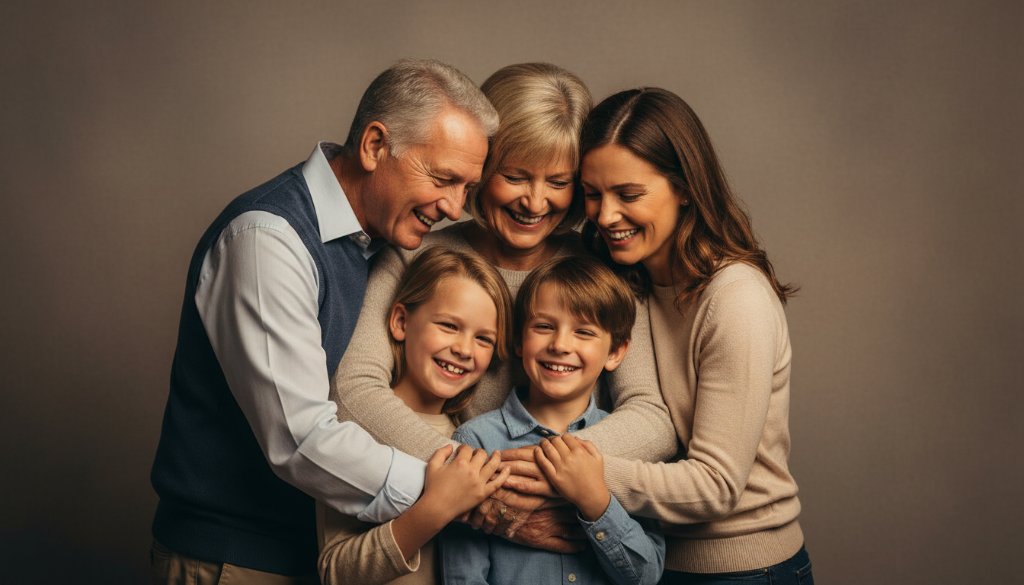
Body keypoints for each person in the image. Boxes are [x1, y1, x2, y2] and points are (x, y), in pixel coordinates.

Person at [149, 59, 498, 584]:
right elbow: (300, 438)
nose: (453, 206)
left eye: (466, 189)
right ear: (375, 146)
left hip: (310, 558)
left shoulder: (374, 241)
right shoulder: (268, 240)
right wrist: (448, 495)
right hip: (236, 561)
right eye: (444, 179)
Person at [332, 63, 677, 551]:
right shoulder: (411, 254)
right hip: (446, 536)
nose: (535, 202)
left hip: (566, 539)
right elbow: (353, 391)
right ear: (482, 166)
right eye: (515, 176)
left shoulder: (600, 270)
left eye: (558, 182)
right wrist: (477, 486)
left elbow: (653, 419)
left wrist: (541, 472)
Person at [577, 87, 814, 584]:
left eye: (629, 194)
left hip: (746, 570)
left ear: (684, 187)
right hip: (646, 558)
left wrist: (578, 473)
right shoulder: (628, 280)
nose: (604, 216)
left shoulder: (735, 298)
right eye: (593, 194)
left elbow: (716, 485)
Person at [441, 256, 666, 585]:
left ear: (616, 351)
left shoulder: (631, 446)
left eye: (584, 332)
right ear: (519, 340)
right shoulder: (476, 442)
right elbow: (463, 575)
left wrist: (595, 501)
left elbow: (646, 575)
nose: (560, 345)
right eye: (544, 326)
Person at [318, 247, 515, 585]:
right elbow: (336, 570)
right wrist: (436, 508)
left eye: (483, 339)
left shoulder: (473, 440)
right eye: (449, 326)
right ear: (401, 322)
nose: (464, 350)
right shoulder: (354, 430)